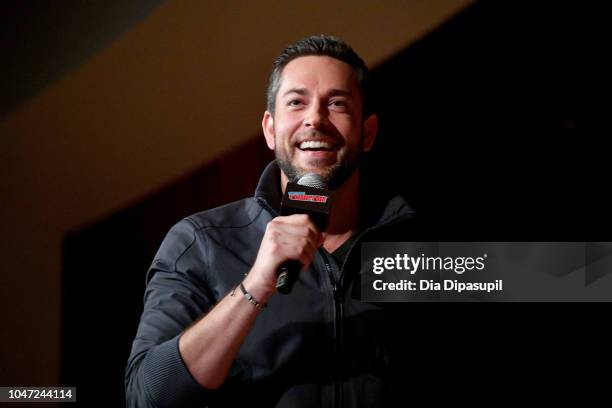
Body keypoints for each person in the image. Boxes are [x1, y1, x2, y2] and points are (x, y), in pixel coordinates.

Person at [125, 35, 415, 407]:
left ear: (367, 132)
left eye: (337, 103)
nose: (315, 118)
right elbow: (146, 396)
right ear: (269, 129)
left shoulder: (419, 245)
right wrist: (256, 285)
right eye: (296, 102)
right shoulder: (201, 242)